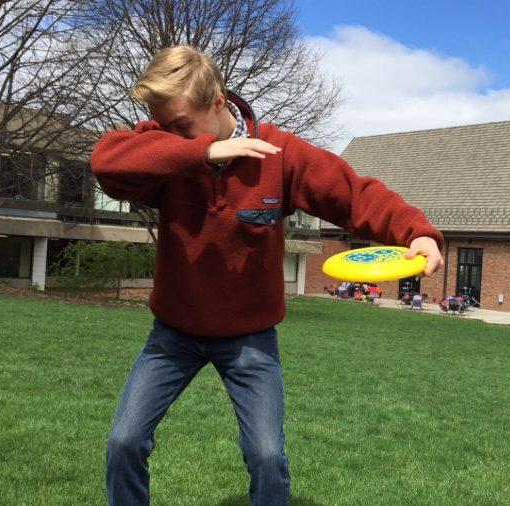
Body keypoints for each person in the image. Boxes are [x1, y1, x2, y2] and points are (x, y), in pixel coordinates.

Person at [90, 45, 444, 506]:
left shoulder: (278, 154)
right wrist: (201, 150)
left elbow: (353, 195)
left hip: (249, 340)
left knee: (267, 456)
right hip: (173, 334)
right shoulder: (169, 150)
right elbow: (107, 163)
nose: (171, 136)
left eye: (180, 126)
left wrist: (416, 232)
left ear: (217, 101)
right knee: (123, 442)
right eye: (164, 127)